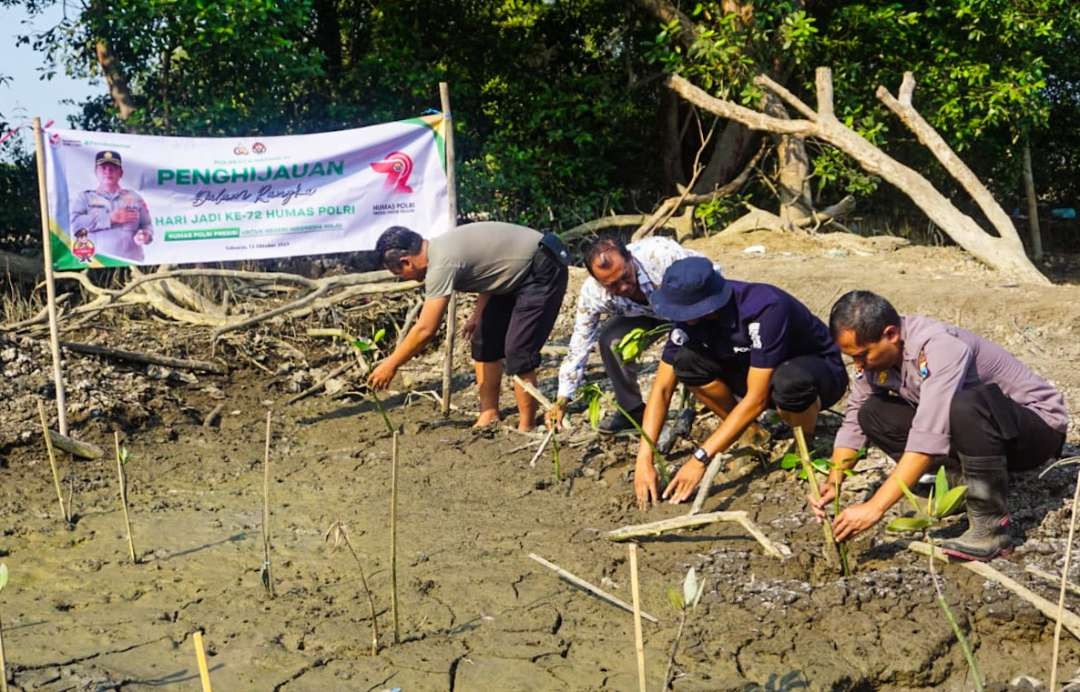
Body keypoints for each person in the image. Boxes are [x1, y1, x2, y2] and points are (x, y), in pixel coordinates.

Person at [811, 290, 1068, 561]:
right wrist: (834, 480)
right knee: (871, 413)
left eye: (863, 356)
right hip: (982, 433)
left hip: (1035, 431)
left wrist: (875, 507)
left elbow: (928, 437)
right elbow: (853, 420)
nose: (859, 365)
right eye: (853, 358)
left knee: (964, 404)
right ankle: (964, 484)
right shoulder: (877, 360)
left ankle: (992, 529)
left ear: (890, 334)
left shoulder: (939, 347)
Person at [635, 256, 848, 509]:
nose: (680, 318)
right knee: (686, 362)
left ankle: (804, 443)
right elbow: (661, 389)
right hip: (750, 369)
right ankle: (751, 432)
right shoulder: (690, 321)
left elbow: (756, 399)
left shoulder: (765, 308)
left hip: (815, 372)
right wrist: (644, 458)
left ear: (708, 305)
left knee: (790, 383)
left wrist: (700, 458)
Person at [368, 222, 568, 431]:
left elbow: (426, 328)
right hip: (514, 275)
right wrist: (477, 315)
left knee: (518, 350)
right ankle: (488, 413)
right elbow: (492, 269)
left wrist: (391, 364)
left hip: (543, 267)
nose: (402, 279)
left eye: (399, 274)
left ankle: (526, 426)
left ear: (406, 262)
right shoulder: (441, 250)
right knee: (483, 340)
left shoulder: (441, 263)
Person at [545, 235, 718, 434]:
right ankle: (633, 410)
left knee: (688, 351)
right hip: (643, 313)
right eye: (612, 285)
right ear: (597, 281)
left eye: (625, 276)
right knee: (610, 341)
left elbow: (707, 279)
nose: (624, 287)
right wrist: (562, 399)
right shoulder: (593, 294)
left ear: (630, 259)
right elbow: (579, 345)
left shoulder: (660, 255)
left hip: (684, 304)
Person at [70, 150, 154, 263]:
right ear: (96, 171)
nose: (108, 171)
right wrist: (110, 218)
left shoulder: (135, 197)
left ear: (121, 173)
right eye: (103, 167)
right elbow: (75, 225)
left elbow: (147, 225)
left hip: (130, 263)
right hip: (96, 263)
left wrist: (145, 235)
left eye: (113, 168)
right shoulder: (85, 198)